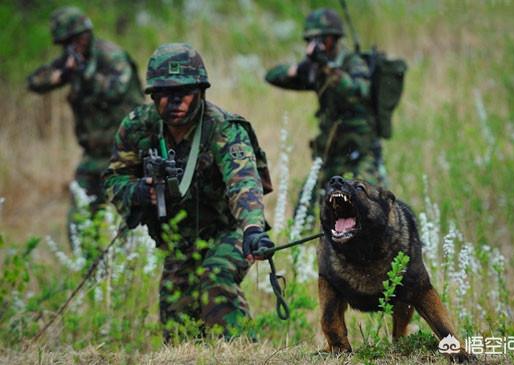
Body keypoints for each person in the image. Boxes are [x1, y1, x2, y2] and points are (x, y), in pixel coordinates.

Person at [104, 43, 274, 341]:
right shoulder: (138, 128)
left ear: (200, 91)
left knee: (216, 281)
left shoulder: (223, 128)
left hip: (228, 229)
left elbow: (243, 181)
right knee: (178, 326)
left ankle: (243, 355)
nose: (175, 101)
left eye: (185, 92)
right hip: (178, 238)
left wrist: (252, 230)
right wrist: (138, 194)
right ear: (153, 96)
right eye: (166, 93)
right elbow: (114, 179)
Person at [27, 6, 143, 242]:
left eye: (76, 40)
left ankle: (130, 272)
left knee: (129, 220)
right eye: (66, 43)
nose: (73, 46)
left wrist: (85, 73)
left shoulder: (111, 56)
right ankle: (86, 266)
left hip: (125, 152)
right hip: (93, 154)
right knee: (79, 219)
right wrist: (63, 74)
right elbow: (35, 82)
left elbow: (116, 89)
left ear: (86, 35)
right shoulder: (71, 61)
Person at [265, 8, 388, 192]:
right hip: (331, 154)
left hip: (360, 152)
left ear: (334, 38)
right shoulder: (316, 69)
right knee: (306, 206)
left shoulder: (352, 62)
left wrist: (328, 68)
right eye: (310, 40)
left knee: (372, 200)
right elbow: (273, 76)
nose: (316, 45)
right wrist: (300, 69)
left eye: (322, 39)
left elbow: (358, 91)